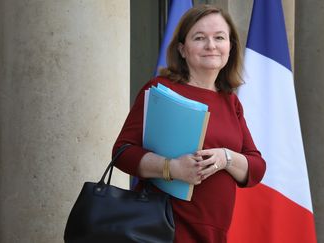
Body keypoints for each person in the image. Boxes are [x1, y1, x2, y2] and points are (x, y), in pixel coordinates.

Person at [113, 4, 266, 243]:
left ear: (231, 47)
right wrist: (171, 168)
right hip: (163, 227)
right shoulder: (160, 89)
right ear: (183, 49)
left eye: (219, 37)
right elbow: (122, 152)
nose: (211, 45)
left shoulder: (230, 101)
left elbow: (256, 168)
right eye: (199, 38)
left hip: (214, 231)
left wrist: (224, 157)